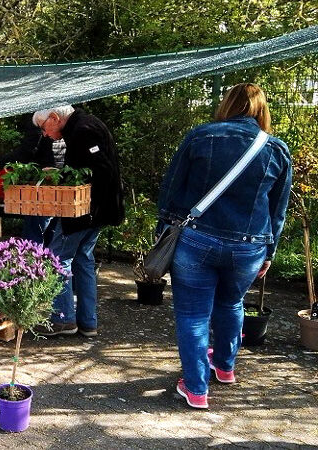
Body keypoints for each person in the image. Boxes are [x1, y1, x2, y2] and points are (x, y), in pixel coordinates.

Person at [157, 83, 291, 409]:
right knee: (232, 303)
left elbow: (172, 190)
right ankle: (225, 367)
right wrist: (268, 253)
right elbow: (277, 211)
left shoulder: (201, 136)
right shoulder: (276, 150)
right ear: (261, 110)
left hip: (196, 240)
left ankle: (196, 389)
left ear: (227, 104)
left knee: (192, 315)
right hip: (249, 247)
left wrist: (162, 234)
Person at [34, 105, 125, 338]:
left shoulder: (82, 130)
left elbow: (98, 169)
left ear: (55, 118)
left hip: (85, 210)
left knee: (57, 258)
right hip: (98, 210)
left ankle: (63, 319)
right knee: (84, 259)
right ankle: (87, 323)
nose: (44, 134)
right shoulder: (87, 124)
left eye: (44, 128)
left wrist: (58, 176)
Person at [0, 113, 66, 246]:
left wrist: (2, 162)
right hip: (59, 181)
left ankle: (32, 262)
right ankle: (47, 262)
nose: (45, 133)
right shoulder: (58, 118)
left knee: (35, 230)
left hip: (42, 183)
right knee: (50, 233)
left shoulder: (40, 118)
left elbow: (28, 149)